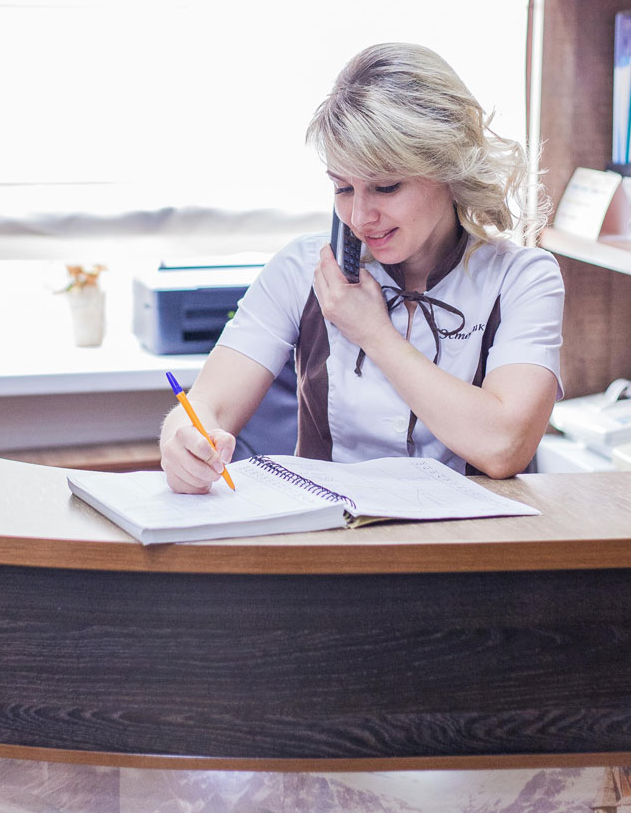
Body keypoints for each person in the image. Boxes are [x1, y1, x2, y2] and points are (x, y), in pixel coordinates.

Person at [160, 42, 563, 492]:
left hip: (475, 534)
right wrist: (185, 444)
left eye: (386, 187)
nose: (359, 217)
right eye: (343, 188)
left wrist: (374, 333)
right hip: (331, 529)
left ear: (450, 169)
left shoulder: (523, 278)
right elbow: (208, 404)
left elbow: (504, 446)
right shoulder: (301, 267)